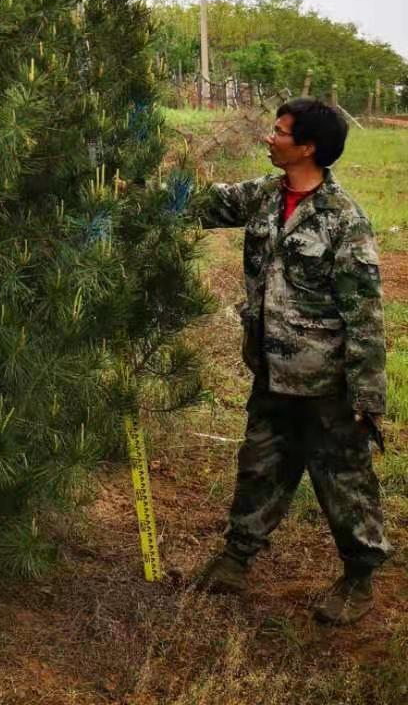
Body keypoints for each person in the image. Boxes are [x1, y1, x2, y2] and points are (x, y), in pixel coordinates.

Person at [195, 97, 391, 624]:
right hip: (271, 372)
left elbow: (365, 314)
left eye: (279, 132)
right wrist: (130, 187)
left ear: (308, 147)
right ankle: (236, 559)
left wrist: (367, 398)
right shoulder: (263, 196)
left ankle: (359, 578)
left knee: (343, 483)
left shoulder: (344, 220)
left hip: (326, 383)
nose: (269, 137)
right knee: (259, 465)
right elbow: (198, 204)